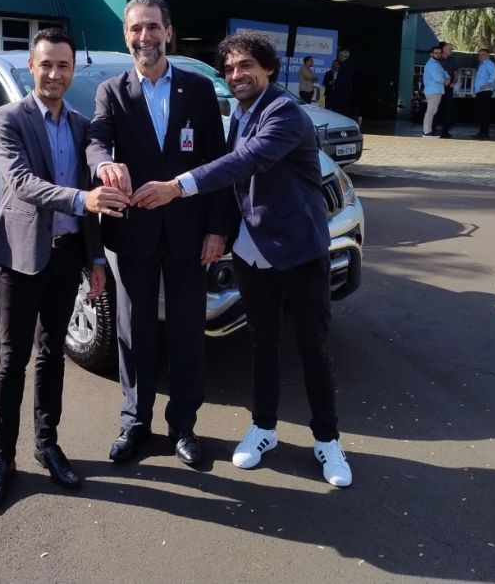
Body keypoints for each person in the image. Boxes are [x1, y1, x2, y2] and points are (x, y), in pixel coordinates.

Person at [128, 33, 352, 488]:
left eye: (246, 65)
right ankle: (264, 427)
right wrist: (220, 232)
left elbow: (245, 163)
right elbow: (236, 186)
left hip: (300, 252)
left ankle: (328, 440)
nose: (236, 75)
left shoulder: (284, 112)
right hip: (252, 253)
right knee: (262, 345)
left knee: (312, 349)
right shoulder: (242, 114)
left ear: (268, 68)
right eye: (229, 69)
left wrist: (176, 186)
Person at [0, 29, 129, 513]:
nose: (54, 74)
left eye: (63, 65)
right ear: (31, 66)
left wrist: (95, 259)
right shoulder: (7, 119)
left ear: (72, 70)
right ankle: (1, 458)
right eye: (46, 64)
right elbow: (22, 183)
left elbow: (91, 201)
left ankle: (47, 445)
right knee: (13, 358)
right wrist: (84, 198)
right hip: (21, 255)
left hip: (67, 257)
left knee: (52, 355)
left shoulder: (83, 126)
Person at [87, 0, 228, 468]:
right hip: (134, 234)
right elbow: (96, 139)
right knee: (134, 333)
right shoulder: (111, 91)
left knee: (188, 332)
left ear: (168, 32)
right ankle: (135, 422)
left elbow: (217, 163)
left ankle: (183, 425)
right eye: (135, 28)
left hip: (190, 235)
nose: (144, 37)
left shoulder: (199, 89)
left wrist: (217, 229)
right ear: (125, 35)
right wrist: (104, 165)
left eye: (152, 27)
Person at [421, 44, 447, 138]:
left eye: (440, 53)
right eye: (436, 53)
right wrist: (445, 81)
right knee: (430, 111)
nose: (438, 54)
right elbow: (438, 78)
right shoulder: (432, 64)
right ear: (431, 54)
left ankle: (428, 131)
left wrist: (447, 77)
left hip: (436, 90)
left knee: (432, 111)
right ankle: (427, 132)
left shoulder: (436, 63)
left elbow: (444, 73)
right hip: (433, 91)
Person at [472, 48, 495, 140]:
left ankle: (484, 132)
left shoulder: (488, 64)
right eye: (479, 54)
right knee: (481, 112)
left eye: (482, 54)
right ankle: (482, 131)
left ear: (487, 56)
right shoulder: (482, 65)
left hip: (485, 91)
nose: (480, 56)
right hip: (480, 91)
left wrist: (488, 83)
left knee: (484, 112)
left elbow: (494, 73)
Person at [436, 42, 455, 138]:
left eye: (452, 49)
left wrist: (454, 82)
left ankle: (445, 131)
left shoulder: (453, 60)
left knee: (447, 110)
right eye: (450, 49)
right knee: (435, 108)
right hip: (438, 88)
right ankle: (432, 129)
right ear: (444, 49)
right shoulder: (437, 60)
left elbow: (456, 72)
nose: (451, 51)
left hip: (448, 89)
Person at [330, 49, 355, 118]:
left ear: (344, 56)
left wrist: (335, 84)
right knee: (344, 110)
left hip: (341, 92)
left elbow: (341, 80)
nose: (339, 57)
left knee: (339, 111)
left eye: (340, 55)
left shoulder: (344, 65)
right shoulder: (350, 64)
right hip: (346, 91)